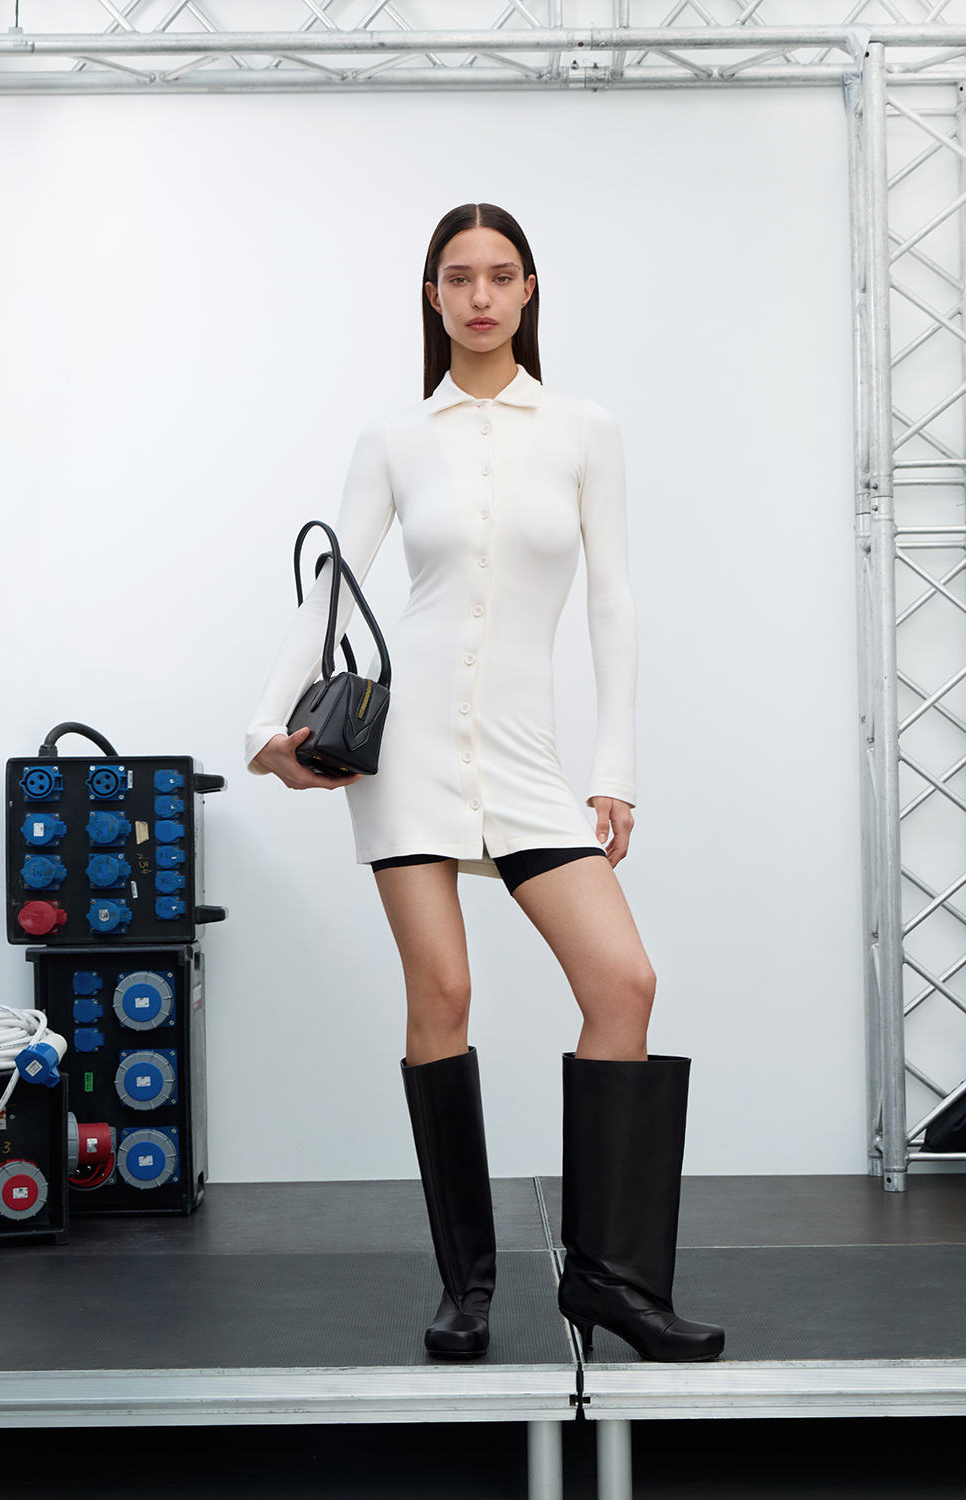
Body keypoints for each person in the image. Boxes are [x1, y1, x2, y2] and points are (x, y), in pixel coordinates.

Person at [245, 204, 724, 1364]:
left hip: (524, 753)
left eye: (499, 276)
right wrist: (268, 725)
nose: (478, 297)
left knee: (623, 983)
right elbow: (335, 587)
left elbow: (613, 601)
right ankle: (465, 1288)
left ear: (527, 291)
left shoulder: (583, 430)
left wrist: (614, 769)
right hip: (406, 750)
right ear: (433, 296)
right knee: (443, 997)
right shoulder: (395, 438)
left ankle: (610, 1281)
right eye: (457, 278)